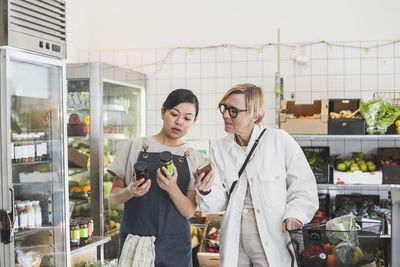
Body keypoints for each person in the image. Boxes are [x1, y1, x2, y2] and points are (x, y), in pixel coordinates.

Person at [194, 83, 319, 267]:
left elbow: (304, 187)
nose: (225, 114)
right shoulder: (220, 149)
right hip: (235, 243)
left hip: (274, 238)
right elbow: (219, 202)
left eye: (234, 110)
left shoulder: (279, 141)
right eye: (224, 107)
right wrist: (206, 191)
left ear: (255, 114)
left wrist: (295, 215)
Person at [107, 89, 205, 267]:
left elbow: (189, 211)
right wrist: (130, 191)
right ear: (162, 112)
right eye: (174, 114)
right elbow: (113, 197)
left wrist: (172, 188)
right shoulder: (136, 146)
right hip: (136, 244)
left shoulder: (194, 157)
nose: (178, 122)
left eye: (187, 118)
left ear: (194, 121)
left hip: (175, 247)